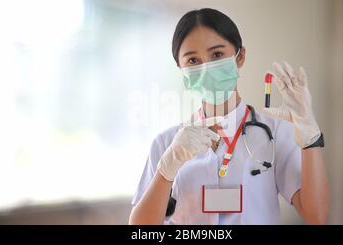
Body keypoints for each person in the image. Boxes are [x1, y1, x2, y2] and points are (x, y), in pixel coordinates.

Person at [129, 8, 329, 225]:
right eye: (193, 60)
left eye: (217, 55)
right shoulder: (166, 144)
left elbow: (316, 216)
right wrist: (166, 170)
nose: (206, 68)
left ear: (240, 56)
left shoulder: (275, 132)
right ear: (183, 73)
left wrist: (311, 138)